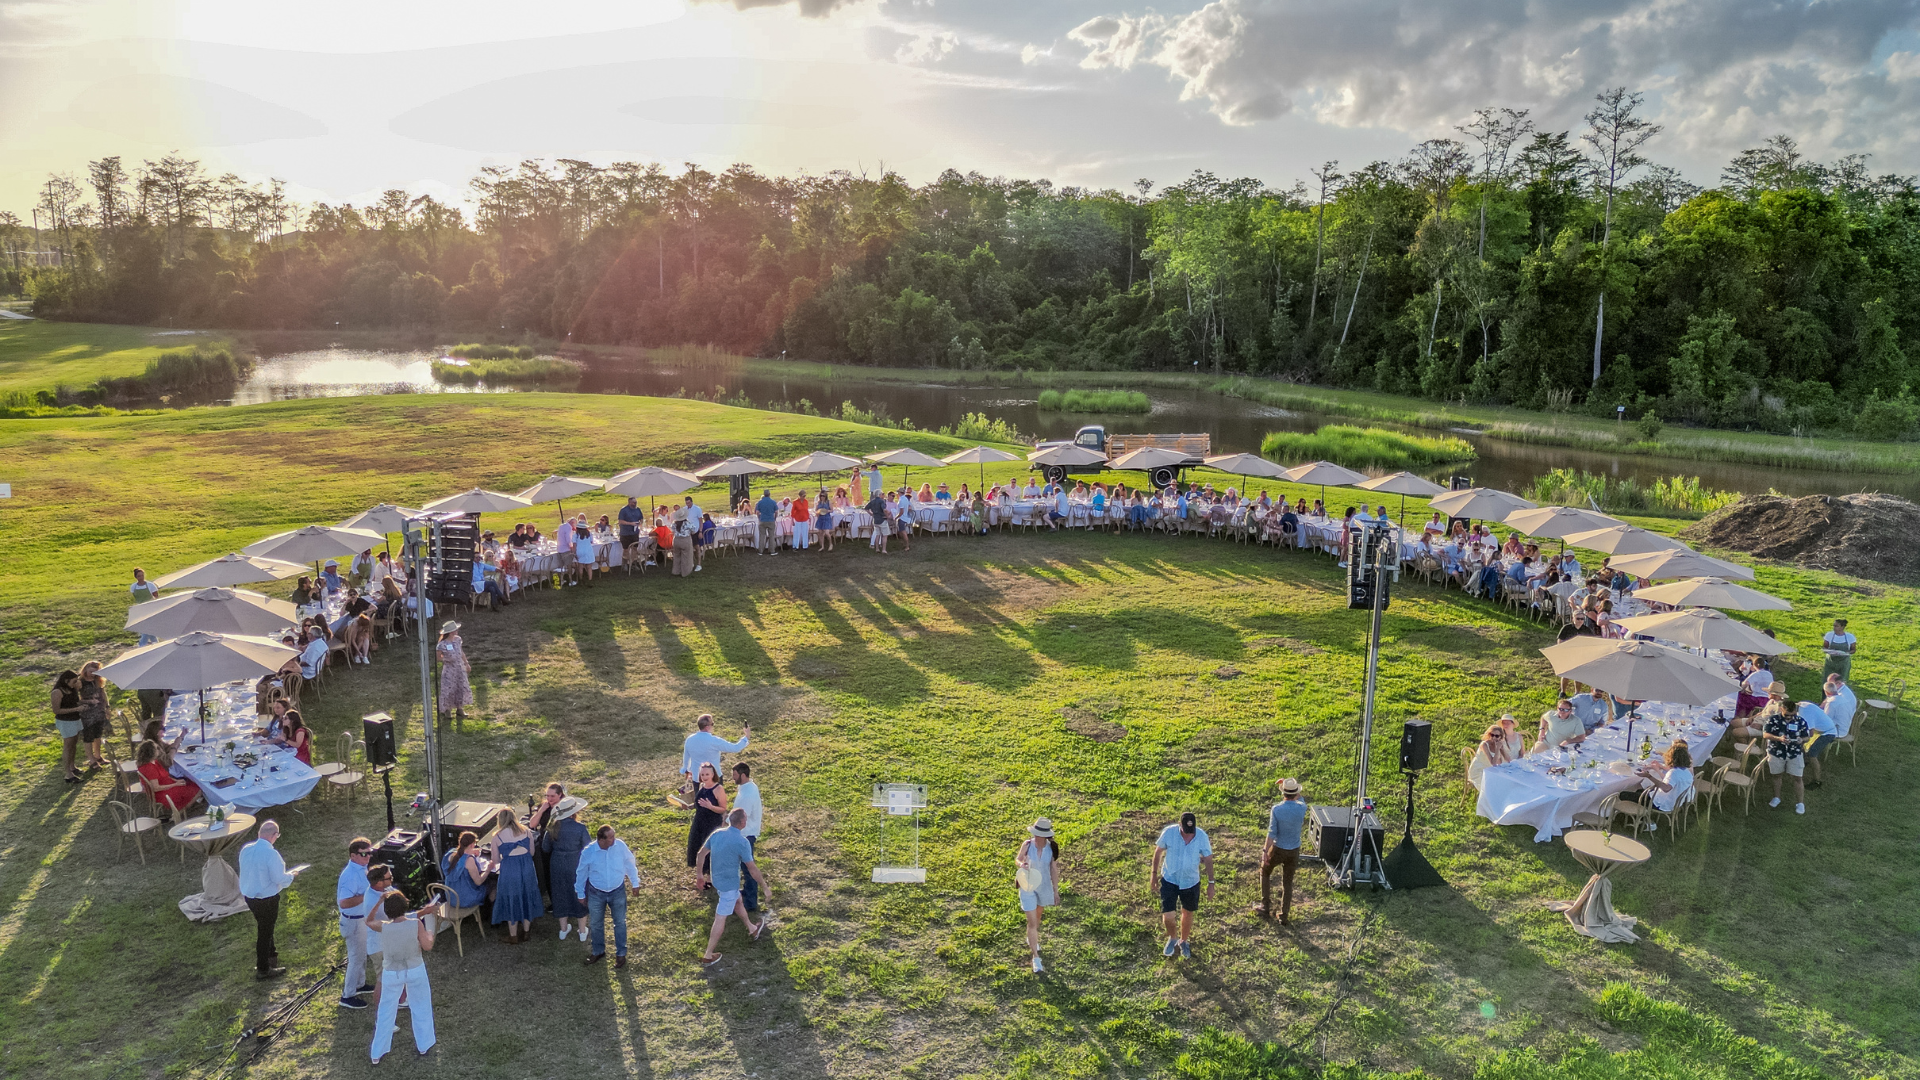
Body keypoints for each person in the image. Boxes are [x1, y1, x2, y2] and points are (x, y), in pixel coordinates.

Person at [368, 890, 438, 1064]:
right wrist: (430, 934)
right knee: (421, 1007)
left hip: (392, 973)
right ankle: (424, 1045)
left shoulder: (384, 926)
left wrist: (378, 902)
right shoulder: (415, 924)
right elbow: (427, 946)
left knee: (385, 1011)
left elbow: (368, 921)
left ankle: (377, 1053)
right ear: (405, 905)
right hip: (415, 969)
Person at [695, 808, 767, 967]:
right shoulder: (742, 842)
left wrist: (700, 876)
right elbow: (752, 869)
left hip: (717, 882)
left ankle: (752, 928)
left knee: (738, 900)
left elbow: (701, 855)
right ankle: (708, 955)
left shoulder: (717, 834)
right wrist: (764, 886)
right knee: (720, 917)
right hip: (729, 885)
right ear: (742, 823)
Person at [238, 820, 302, 979]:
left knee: (265, 926)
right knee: (265, 932)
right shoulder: (271, 854)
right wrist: (291, 876)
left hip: (249, 896)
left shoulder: (246, 849)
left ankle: (271, 956)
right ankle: (263, 968)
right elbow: (278, 878)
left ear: (259, 833)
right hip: (266, 898)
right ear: (274, 835)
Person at [576, 824, 642, 968]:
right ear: (602, 839)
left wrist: (635, 883)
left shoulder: (620, 846)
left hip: (617, 890)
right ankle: (598, 951)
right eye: (611, 837)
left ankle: (621, 954)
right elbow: (581, 873)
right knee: (595, 924)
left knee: (620, 922)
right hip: (596, 892)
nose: (614, 839)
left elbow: (630, 863)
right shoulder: (589, 852)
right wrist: (580, 892)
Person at [1151, 812, 1214, 960]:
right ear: (1180, 825)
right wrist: (1153, 874)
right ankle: (1172, 938)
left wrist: (1211, 883)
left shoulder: (1201, 836)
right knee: (1168, 916)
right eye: (1185, 831)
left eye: (1191, 831)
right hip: (1170, 879)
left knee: (1188, 913)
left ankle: (1183, 941)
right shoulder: (1169, 833)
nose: (1188, 835)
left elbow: (1208, 859)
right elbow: (1158, 852)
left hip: (1190, 882)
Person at [1257, 779, 1308, 923]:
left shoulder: (1277, 809)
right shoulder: (1302, 807)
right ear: (1296, 792)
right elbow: (1300, 797)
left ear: (1283, 792)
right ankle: (1283, 914)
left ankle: (1265, 905)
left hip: (1279, 848)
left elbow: (1272, 833)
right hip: (1294, 850)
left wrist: (1265, 851)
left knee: (1265, 871)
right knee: (1288, 882)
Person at [1015, 818, 1061, 971]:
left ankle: (1032, 938)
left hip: (1043, 887)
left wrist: (1055, 890)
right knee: (1032, 923)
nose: (1037, 837)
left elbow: (1053, 869)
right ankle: (1036, 957)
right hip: (1027, 886)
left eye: (1040, 834)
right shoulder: (1027, 845)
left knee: (1038, 917)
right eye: (1036, 833)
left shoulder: (1051, 848)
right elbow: (1018, 859)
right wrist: (1022, 864)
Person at [543, 796, 591, 941]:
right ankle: (582, 931)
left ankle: (563, 929)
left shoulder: (552, 828)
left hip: (557, 863)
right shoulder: (580, 828)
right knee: (579, 892)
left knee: (559, 893)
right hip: (575, 863)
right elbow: (588, 848)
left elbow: (545, 848)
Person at [336, 837, 376, 1010]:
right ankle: (348, 995)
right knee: (355, 958)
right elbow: (343, 902)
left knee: (361, 955)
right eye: (364, 854)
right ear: (353, 856)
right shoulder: (350, 876)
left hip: (361, 920)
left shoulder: (361, 868)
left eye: (370, 853)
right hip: (353, 922)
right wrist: (368, 895)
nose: (368, 857)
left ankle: (360, 984)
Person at [489, 811, 540, 944]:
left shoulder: (497, 837)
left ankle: (513, 935)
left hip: (510, 870)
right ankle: (526, 931)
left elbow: (495, 860)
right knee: (527, 895)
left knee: (511, 898)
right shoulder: (526, 832)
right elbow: (532, 852)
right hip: (527, 867)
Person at [1623, 742, 1694, 830]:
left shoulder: (1674, 773)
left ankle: (1647, 821)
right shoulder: (1686, 772)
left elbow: (1666, 788)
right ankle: (1641, 816)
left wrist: (1648, 776)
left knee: (1623, 794)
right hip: (1674, 802)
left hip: (1660, 803)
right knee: (1638, 792)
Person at [679, 713, 749, 792]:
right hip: (714, 778)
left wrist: (687, 770)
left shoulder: (690, 739)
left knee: (699, 802)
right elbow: (735, 748)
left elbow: (686, 757)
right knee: (717, 801)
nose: (713, 726)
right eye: (712, 724)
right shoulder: (714, 741)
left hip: (697, 777)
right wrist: (746, 737)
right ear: (707, 727)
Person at [1763, 698, 1811, 815]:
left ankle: (1800, 803)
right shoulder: (1773, 720)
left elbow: (1807, 737)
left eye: (1791, 715)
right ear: (1781, 709)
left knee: (1798, 778)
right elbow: (1765, 734)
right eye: (1786, 715)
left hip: (1794, 753)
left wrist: (1801, 740)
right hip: (1776, 752)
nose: (1789, 717)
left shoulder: (1801, 721)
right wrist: (1778, 738)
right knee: (1776, 775)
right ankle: (1776, 797)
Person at [527, 781, 567, 908]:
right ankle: (553, 900)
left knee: (561, 873)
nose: (549, 799)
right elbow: (532, 824)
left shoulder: (565, 806)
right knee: (548, 872)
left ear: (560, 795)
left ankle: (565, 898)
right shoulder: (544, 806)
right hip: (546, 844)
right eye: (547, 796)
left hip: (560, 843)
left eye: (552, 796)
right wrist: (541, 810)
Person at [136, 741, 200, 819]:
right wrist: (175, 784)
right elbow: (156, 788)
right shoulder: (150, 768)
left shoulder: (152, 762)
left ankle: (183, 807)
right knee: (198, 789)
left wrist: (176, 781)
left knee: (190, 782)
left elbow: (164, 776)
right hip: (163, 794)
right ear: (151, 752)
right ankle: (180, 812)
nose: (159, 750)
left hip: (167, 785)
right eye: (157, 749)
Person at [731, 763, 765, 913]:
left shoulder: (747, 795)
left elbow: (741, 816)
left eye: (735, 775)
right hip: (747, 833)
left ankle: (751, 902)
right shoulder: (748, 787)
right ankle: (747, 892)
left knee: (748, 869)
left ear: (743, 775)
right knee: (746, 868)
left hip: (746, 834)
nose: (733, 778)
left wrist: (725, 821)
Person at [686, 763, 729, 877]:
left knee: (710, 849)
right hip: (699, 821)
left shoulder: (718, 789)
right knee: (696, 844)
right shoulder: (701, 786)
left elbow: (723, 809)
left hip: (712, 823)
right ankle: (703, 873)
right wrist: (689, 806)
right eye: (703, 774)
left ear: (713, 774)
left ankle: (711, 875)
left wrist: (711, 807)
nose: (705, 777)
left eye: (707, 774)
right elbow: (699, 803)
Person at [441, 831, 492, 921]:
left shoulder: (450, 854)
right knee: (492, 886)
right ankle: (487, 915)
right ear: (472, 844)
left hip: (451, 897)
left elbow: (462, 854)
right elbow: (478, 882)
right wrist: (488, 869)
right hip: (464, 899)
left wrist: (471, 852)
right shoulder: (469, 861)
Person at [51, 670, 86, 783]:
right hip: (65, 722)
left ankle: (72, 766)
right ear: (66, 680)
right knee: (68, 745)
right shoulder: (57, 692)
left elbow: (75, 702)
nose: (75, 683)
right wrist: (76, 709)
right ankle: (68, 774)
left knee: (74, 744)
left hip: (75, 719)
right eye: (74, 681)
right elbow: (56, 710)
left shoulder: (72, 689)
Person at [75, 661, 111, 770]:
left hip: (99, 711)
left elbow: (103, 694)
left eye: (95, 672)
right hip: (87, 713)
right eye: (90, 671)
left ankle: (98, 756)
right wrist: (89, 701)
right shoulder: (80, 682)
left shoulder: (97, 681)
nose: (92, 674)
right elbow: (75, 699)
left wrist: (107, 707)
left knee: (98, 735)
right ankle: (91, 760)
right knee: (88, 736)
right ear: (85, 670)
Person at [1797, 697, 1836, 788]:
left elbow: (1810, 733)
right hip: (1822, 729)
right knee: (1803, 746)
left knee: (1812, 754)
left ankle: (1817, 781)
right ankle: (1803, 762)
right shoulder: (1801, 704)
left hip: (1828, 733)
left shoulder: (1804, 713)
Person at [436, 623, 473, 721]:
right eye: (455, 629)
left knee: (460, 687)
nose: (456, 631)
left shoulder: (458, 640)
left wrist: (466, 663)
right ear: (450, 632)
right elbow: (438, 658)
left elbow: (461, 652)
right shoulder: (441, 645)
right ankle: (447, 710)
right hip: (449, 670)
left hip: (459, 668)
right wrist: (447, 659)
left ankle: (459, 709)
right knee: (449, 689)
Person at [1467, 725, 1513, 789]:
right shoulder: (1484, 745)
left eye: (1496, 736)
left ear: (1500, 737)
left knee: (1507, 782)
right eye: (1492, 735)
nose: (1494, 738)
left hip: (1491, 770)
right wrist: (1497, 749)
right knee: (1492, 786)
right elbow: (1493, 763)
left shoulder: (1499, 744)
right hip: (1480, 771)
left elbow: (1509, 760)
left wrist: (1502, 748)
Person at [1823, 674, 1858, 739]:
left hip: (1839, 728)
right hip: (1843, 724)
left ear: (1838, 683)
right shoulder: (1841, 690)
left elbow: (1826, 719)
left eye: (1831, 684)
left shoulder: (1838, 698)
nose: (1828, 685)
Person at [755, 489, 780, 554]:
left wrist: (759, 518)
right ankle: (772, 550)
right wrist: (775, 518)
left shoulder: (760, 502)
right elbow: (776, 512)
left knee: (762, 536)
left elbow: (757, 512)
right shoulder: (773, 502)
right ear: (769, 494)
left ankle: (760, 551)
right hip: (771, 520)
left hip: (762, 520)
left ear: (764, 494)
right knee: (771, 536)